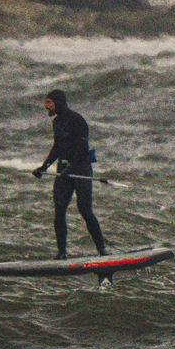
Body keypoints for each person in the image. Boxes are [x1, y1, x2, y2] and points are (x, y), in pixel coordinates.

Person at [32, 89, 106, 259]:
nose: (46, 106)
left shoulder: (77, 120)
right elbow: (57, 147)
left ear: (57, 102)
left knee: (85, 210)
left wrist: (71, 167)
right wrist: (44, 167)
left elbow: (82, 148)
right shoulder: (56, 122)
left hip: (81, 168)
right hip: (63, 170)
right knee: (59, 210)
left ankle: (102, 250)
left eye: (49, 102)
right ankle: (62, 253)